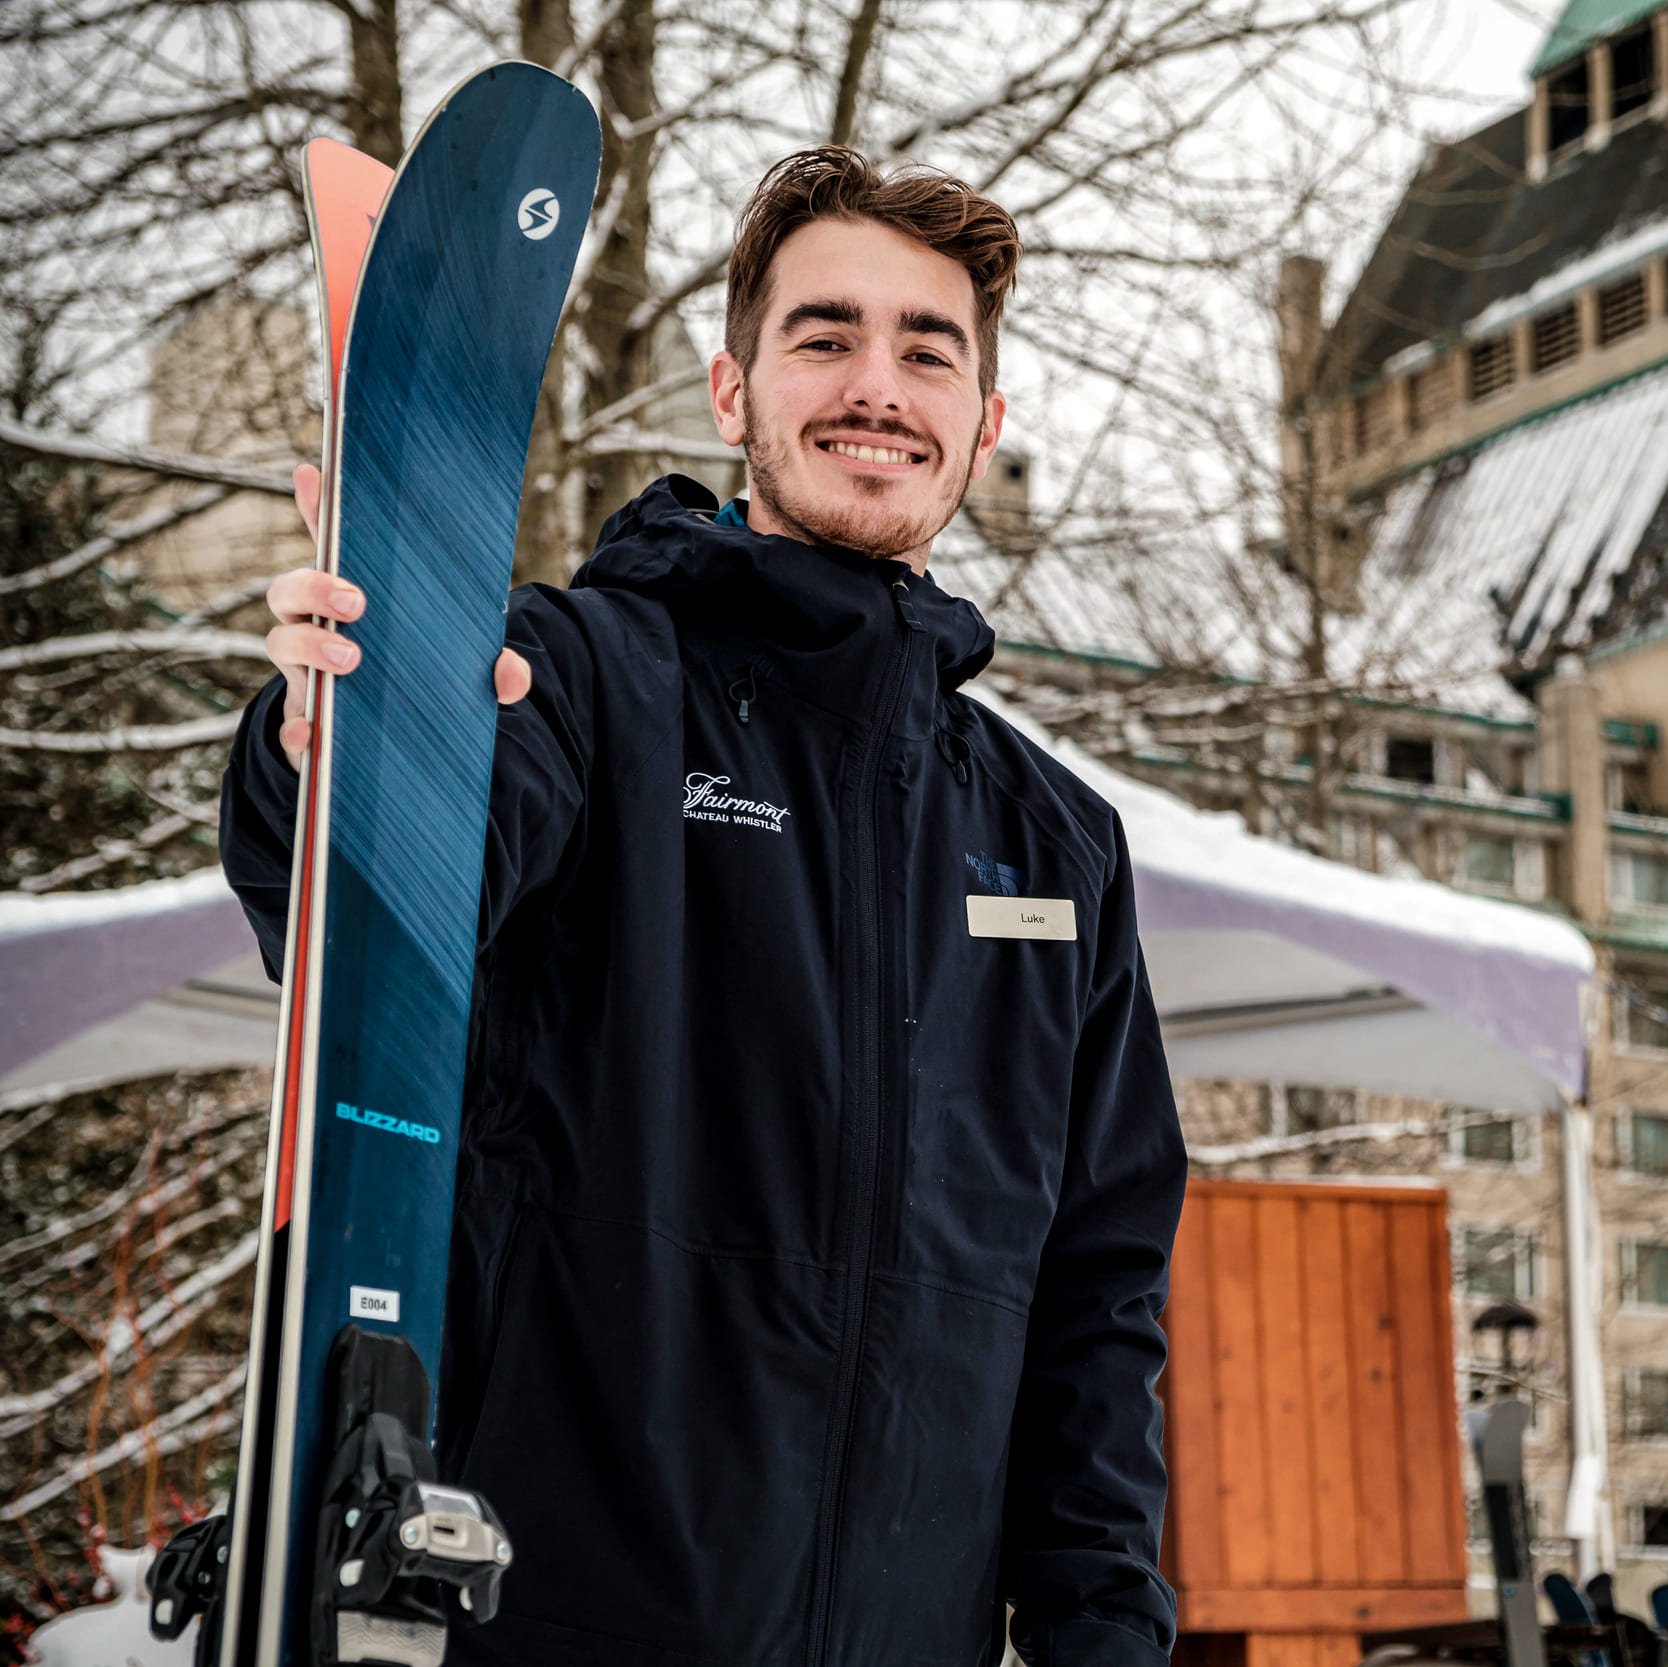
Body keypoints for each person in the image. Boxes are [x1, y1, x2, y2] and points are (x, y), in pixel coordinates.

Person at [221, 148, 1187, 1667]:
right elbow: (392, 905)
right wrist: (328, 737)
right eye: (824, 336)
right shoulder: (579, 680)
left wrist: (1104, 1636)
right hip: (551, 1621)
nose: (879, 383)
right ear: (733, 393)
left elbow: (1101, 1300)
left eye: (927, 351)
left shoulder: (1057, 843)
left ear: (982, 429)